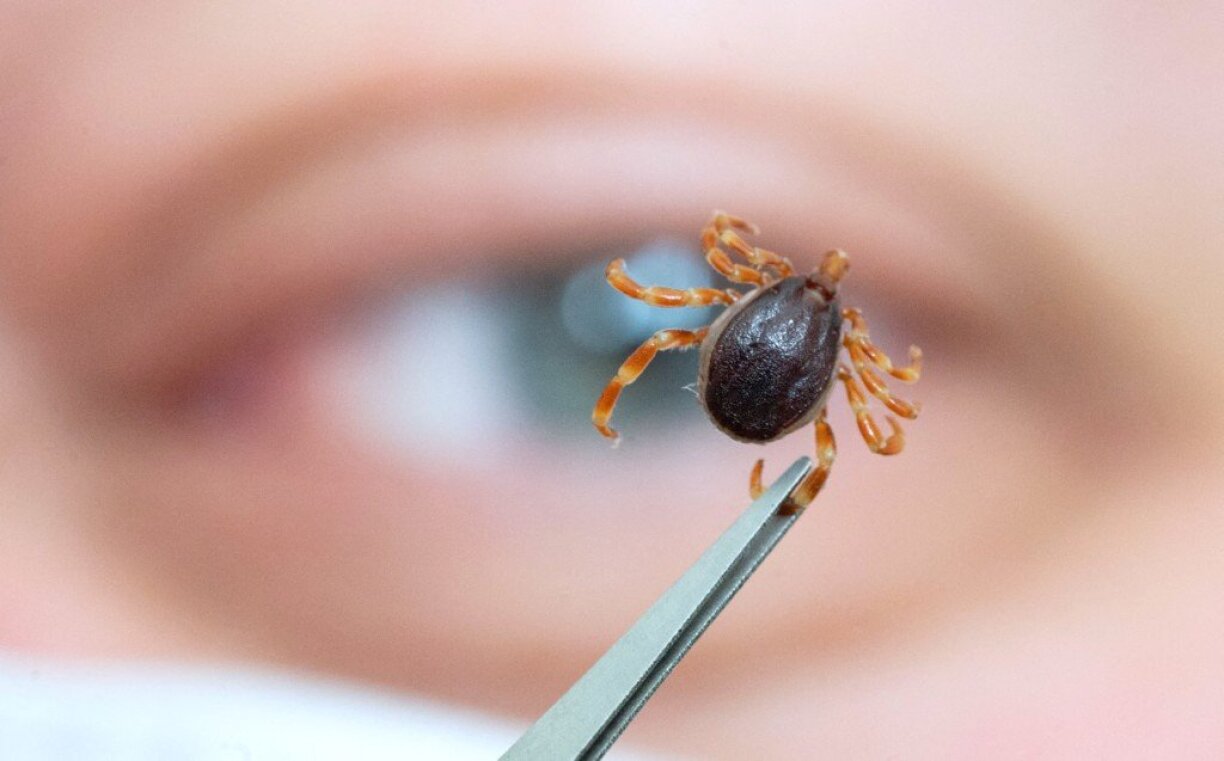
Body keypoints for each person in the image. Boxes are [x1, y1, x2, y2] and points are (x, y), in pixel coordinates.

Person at [1, 3, 1222, 758]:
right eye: (556, 312)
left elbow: (668, 319)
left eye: (542, 297)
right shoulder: (825, 346)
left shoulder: (752, 306)